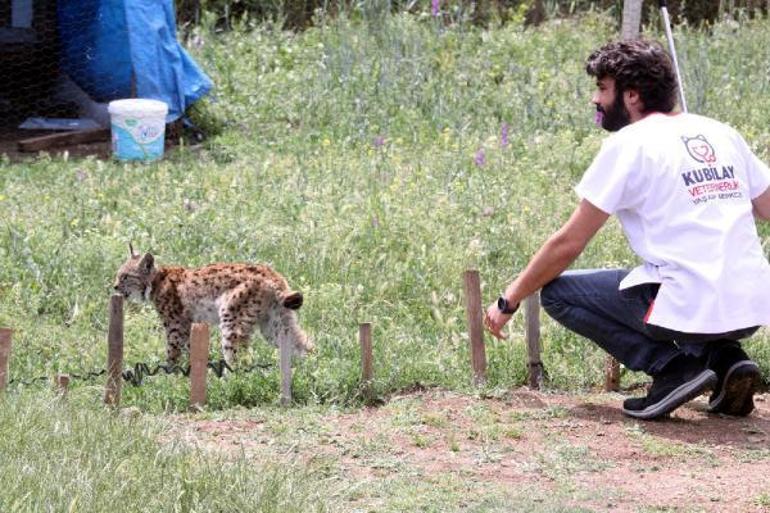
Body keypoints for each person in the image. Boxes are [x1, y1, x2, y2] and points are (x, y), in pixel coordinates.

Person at [484, 39, 770, 420]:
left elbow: (568, 243)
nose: (595, 100)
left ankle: (672, 368)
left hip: (686, 305)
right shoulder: (720, 132)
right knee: (689, 278)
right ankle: (726, 359)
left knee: (558, 293)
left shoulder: (629, 144)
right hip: (751, 303)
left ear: (632, 95)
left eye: (602, 89)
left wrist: (510, 299)